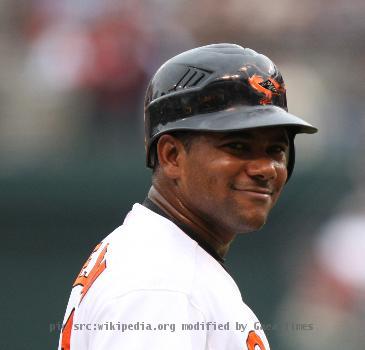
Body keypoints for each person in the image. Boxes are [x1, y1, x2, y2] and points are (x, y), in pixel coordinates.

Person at [58, 43, 317, 350]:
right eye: (237, 146)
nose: (265, 169)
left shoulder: (161, 260)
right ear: (171, 156)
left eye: (276, 150)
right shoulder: (160, 286)